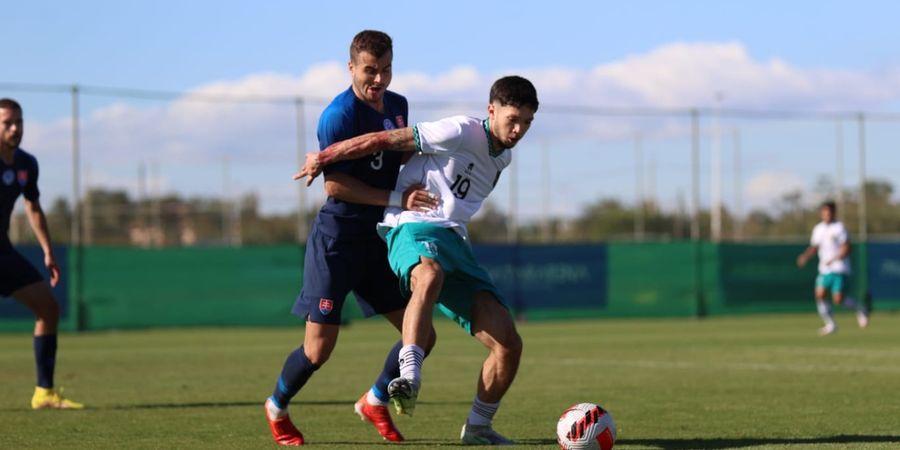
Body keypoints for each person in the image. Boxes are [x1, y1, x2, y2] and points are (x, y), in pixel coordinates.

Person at [295, 75, 538, 445]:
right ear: (491, 110)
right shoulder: (460, 130)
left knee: (508, 343)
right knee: (428, 275)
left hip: (455, 239)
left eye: (526, 123)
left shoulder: (502, 156)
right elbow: (385, 140)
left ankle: (477, 428)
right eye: (512, 119)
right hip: (411, 228)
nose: (518, 129)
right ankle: (409, 374)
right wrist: (325, 157)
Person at [264, 30, 437, 446]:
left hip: (378, 239)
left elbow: (403, 154)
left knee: (422, 335)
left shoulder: (397, 105)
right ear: (351, 68)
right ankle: (276, 406)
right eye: (370, 71)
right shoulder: (338, 115)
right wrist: (397, 196)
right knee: (318, 350)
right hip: (337, 241)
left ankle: (375, 400)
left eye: (386, 70)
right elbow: (335, 187)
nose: (378, 80)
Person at [0, 98, 83, 409]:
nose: (15, 128)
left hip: (3, 252)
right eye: (7, 122)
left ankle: (44, 393)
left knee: (48, 309)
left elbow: (32, 206)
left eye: (19, 122)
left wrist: (48, 250)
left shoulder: (26, 164)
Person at [796, 200, 869, 336]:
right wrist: (805, 257)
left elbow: (847, 247)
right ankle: (831, 324)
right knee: (820, 295)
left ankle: (860, 309)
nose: (827, 215)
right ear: (821, 214)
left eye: (829, 212)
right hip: (824, 269)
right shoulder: (818, 229)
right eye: (824, 212)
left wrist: (836, 258)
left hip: (839, 268)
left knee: (838, 299)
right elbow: (814, 247)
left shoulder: (839, 227)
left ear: (833, 213)